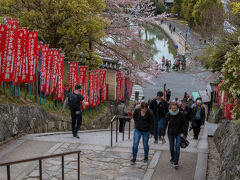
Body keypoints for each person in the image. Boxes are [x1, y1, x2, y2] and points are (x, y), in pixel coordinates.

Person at [161, 102, 186, 169]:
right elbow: (164, 124)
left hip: (178, 133)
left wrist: (183, 133)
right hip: (170, 133)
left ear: (178, 108)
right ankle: (173, 157)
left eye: (175, 108)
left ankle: (176, 162)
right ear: (170, 108)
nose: (174, 109)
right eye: (172, 108)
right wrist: (162, 134)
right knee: (171, 147)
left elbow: (184, 124)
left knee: (177, 147)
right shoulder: (168, 114)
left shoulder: (181, 114)